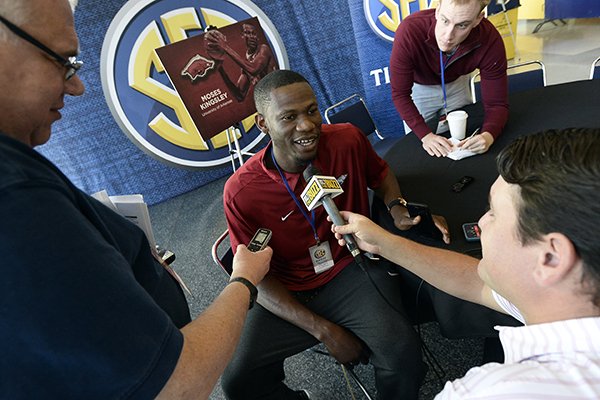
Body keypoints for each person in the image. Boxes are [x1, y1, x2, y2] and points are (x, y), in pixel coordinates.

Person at [0, 0, 270, 398]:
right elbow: (175, 386)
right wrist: (244, 280)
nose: (77, 86)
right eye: (62, 60)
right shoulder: (16, 198)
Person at [221, 69, 450, 400]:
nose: (307, 125)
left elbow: (382, 176)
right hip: (288, 291)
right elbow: (254, 278)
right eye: (289, 117)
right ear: (263, 124)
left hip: (349, 271)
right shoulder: (241, 191)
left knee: (403, 356)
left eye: (311, 110)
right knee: (238, 382)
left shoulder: (347, 139)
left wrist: (397, 207)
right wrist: (324, 330)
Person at [333, 128, 600, 398]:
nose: (481, 223)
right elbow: (476, 283)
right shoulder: (569, 297)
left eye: (493, 213)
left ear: (551, 258)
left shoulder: (488, 393)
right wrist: (383, 242)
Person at [390, 0, 509, 157]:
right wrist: (426, 136)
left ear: (478, 19)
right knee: (423, 149)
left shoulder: (489, 38)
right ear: (438, 10)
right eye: (445, 20)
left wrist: (488, 135)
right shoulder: (410, 30)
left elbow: (497, 103)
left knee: (464, 138)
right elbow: (400, 94)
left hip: (457, 83)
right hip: (419, 89)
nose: (448, 36)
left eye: (462, 25)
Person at [205, 22, 277, 102]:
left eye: (254, 34)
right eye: (248, 33)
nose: (252, 37)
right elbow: (239, 95)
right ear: (242, 36)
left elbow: (254, 69)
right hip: (269, 103)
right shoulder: (246, 65)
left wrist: (225, 47)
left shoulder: (263, 49)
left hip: (280, 96)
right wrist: (220, 68)